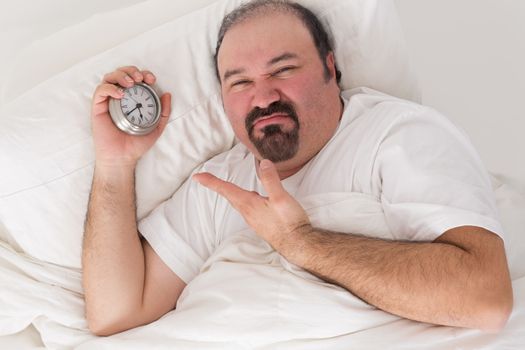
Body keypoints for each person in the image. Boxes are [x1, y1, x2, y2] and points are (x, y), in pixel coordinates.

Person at [82, 0, 513, 337]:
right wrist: (116, 164)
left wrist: (301, 243)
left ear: (330, 67)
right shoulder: (219, 182)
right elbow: (117, 313)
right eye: (240, 82)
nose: (263, 95)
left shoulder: (398, 136)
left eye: (283, 70)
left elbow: (485, 299)